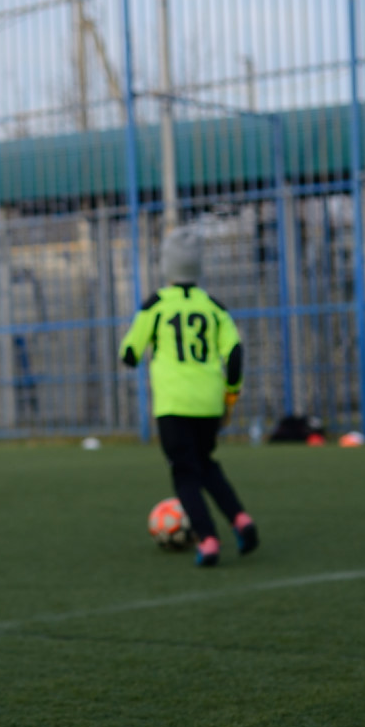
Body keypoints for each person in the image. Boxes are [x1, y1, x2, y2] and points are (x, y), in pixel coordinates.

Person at [119, 227, 258, 568]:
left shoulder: (156, 305)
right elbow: (236, 353)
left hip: (173, 403)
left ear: (167, 265)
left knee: (184, 473)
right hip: (210, 402)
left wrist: (139, 348)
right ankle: (240, 519)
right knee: (206, 464)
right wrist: (230, 395)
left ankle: (208, 539)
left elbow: (129, 354)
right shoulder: (213, 307)